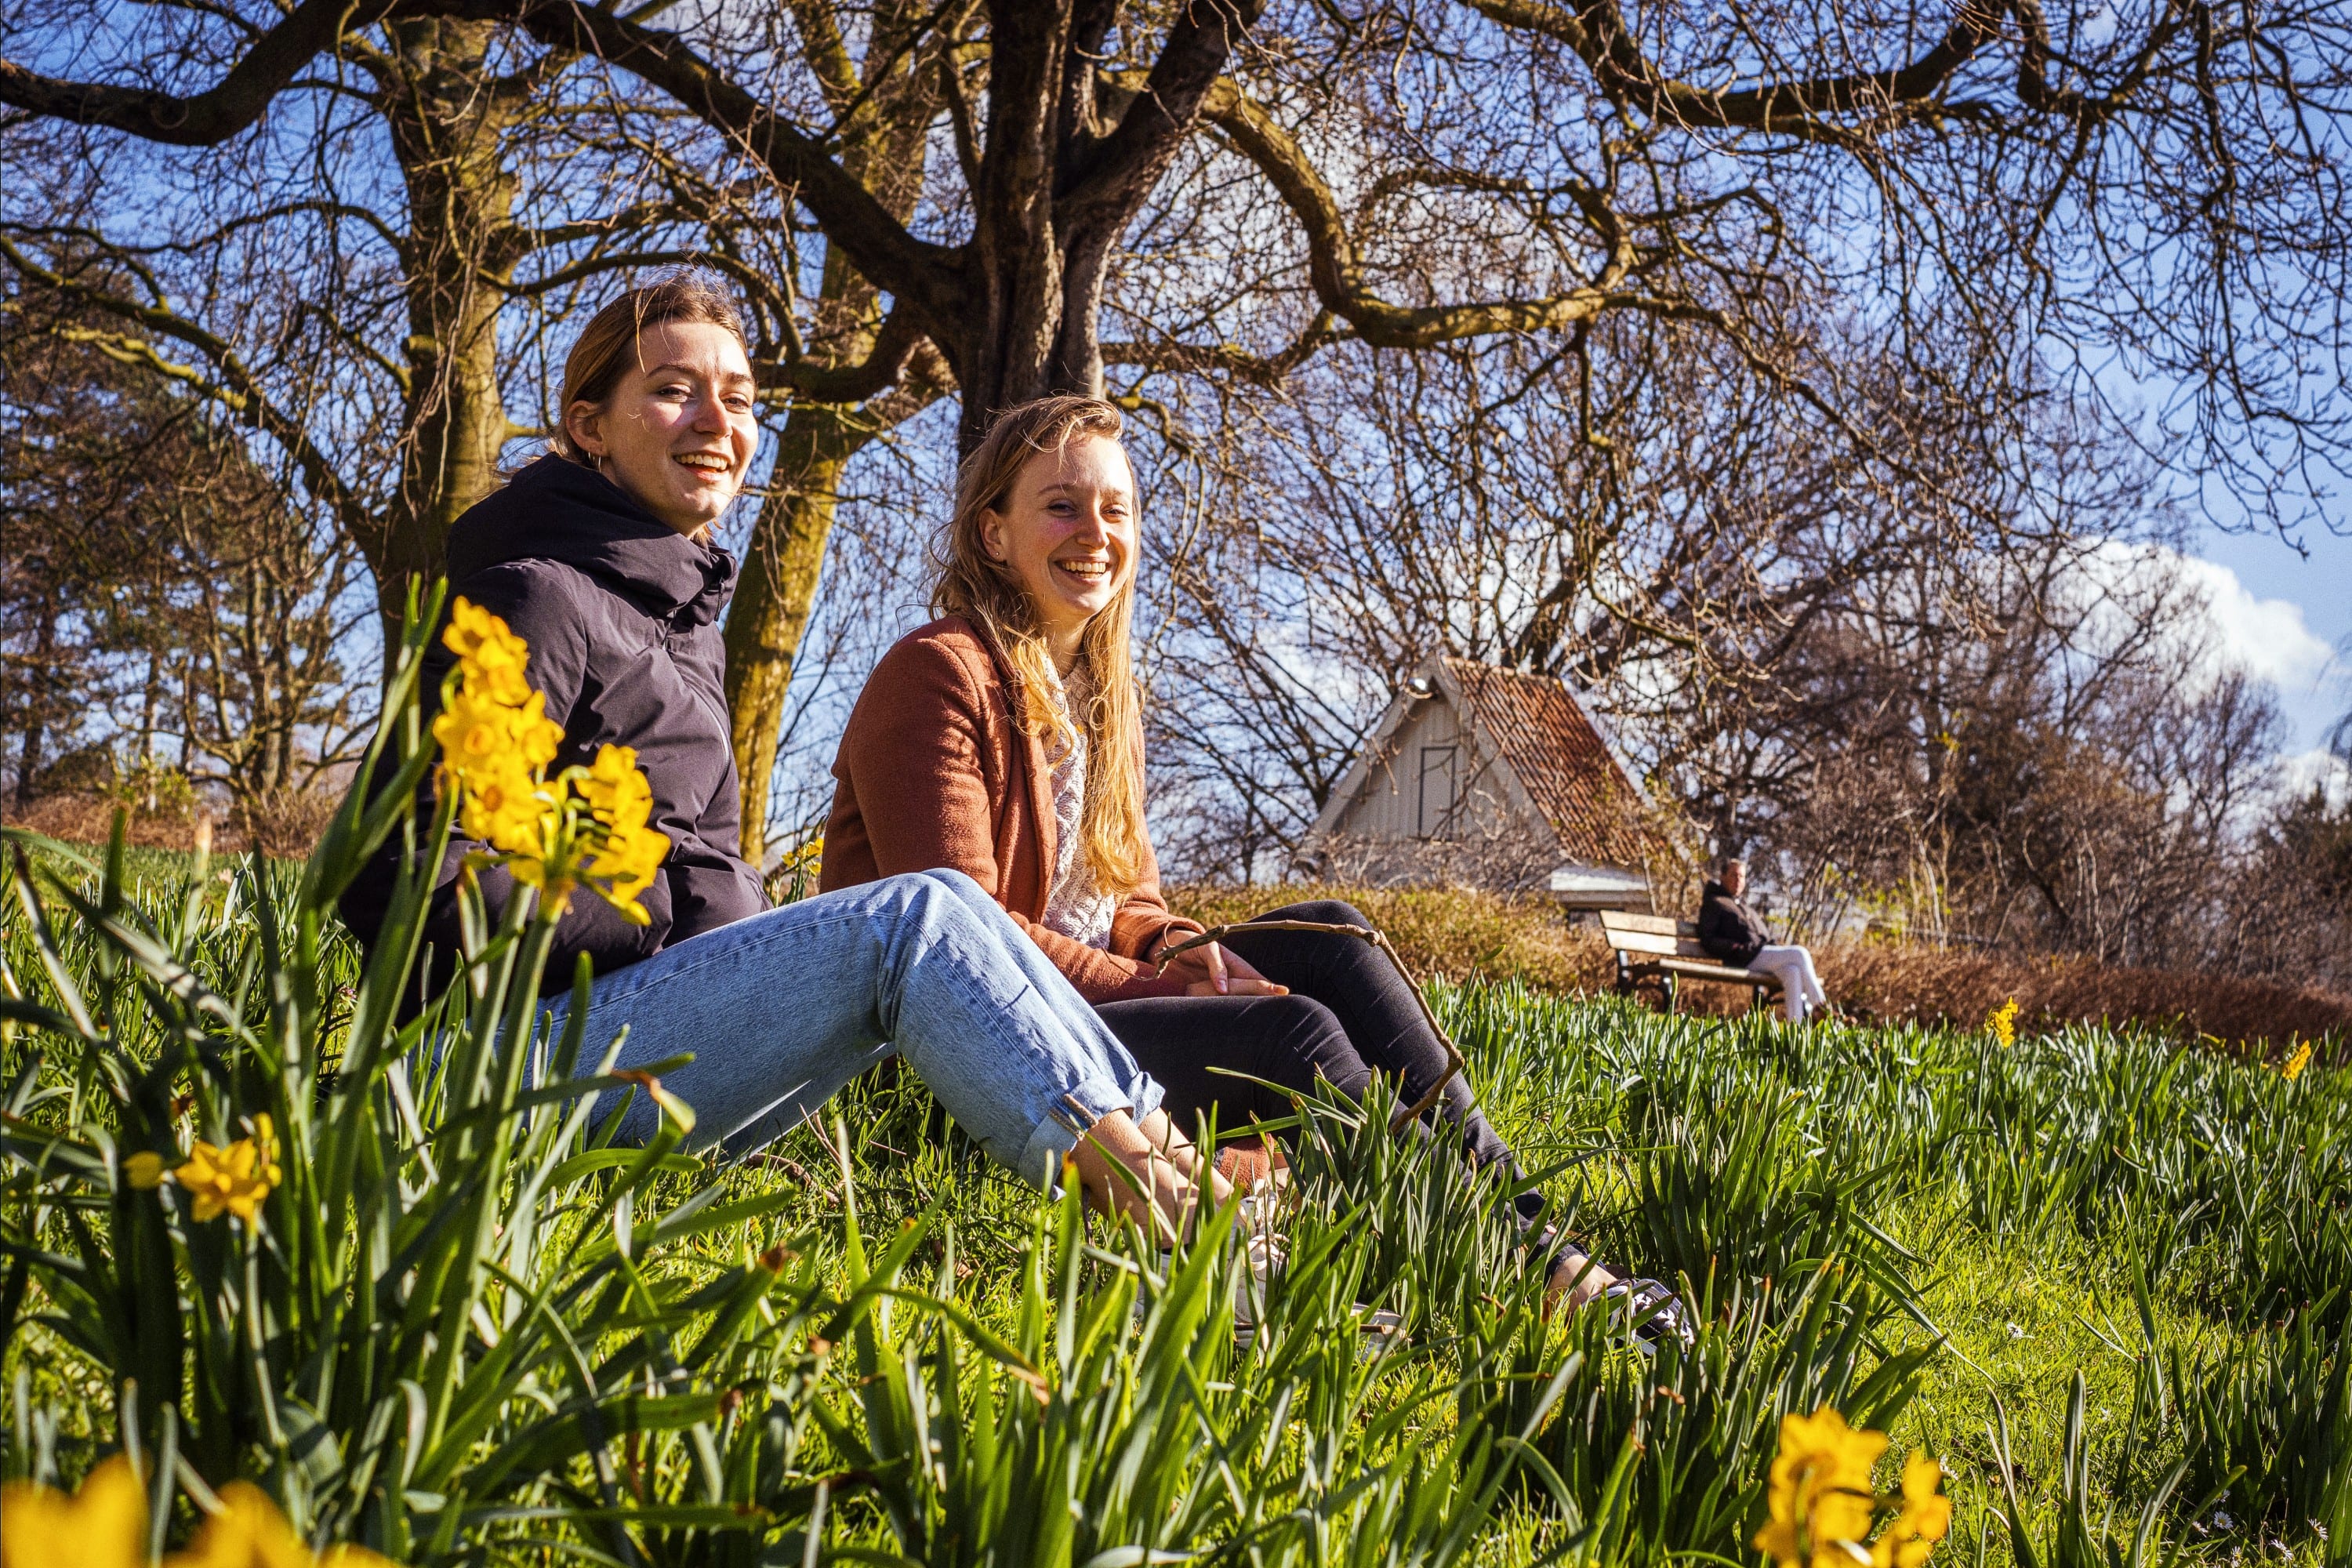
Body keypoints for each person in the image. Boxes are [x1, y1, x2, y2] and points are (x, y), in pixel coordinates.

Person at [338, 278, 1232, 1243]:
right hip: (496, 1066)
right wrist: (653, 911)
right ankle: (1179, 1226)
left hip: (654, 1049)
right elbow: (394, 872)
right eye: (675, 389)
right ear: (588, 424)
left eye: (741, 397)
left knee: (947, 913)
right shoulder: (534, 601)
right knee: (923, 912)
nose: (716, 420)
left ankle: (1207, 1197)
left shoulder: (678, 624)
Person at [819, 394, 1685, 1334]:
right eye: (1061, 506)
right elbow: (964, 936)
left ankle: (1529, 1237)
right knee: (1294, 1035)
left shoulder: (1103, 695)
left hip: (1083, 1009)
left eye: (1117, 510)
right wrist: (1155, 985)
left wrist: (1185, 949)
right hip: (977, 1045)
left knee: (1333, 937)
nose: (1095, 533)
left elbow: (1127, 896)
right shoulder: (937, 671)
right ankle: (1518, 1273)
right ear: (993, 532)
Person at [1697, 858, 1831, 1023]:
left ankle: (1795, 1029)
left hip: (1759, 954)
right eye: (1734, 875)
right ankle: (1821, 1007)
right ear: (1722, 876)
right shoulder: (1715, 903)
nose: (1738, 880)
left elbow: (1764, 937)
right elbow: (1708, 939)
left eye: (1742, 876)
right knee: (1799, 953)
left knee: (1792, 972)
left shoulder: (1743, 906)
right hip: (1744, 957)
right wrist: (1737, 948)